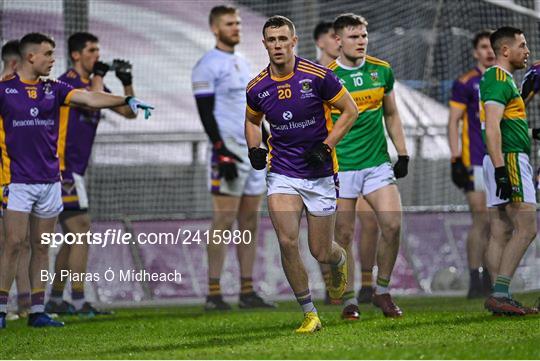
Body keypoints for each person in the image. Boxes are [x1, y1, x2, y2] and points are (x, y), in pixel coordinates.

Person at [0, 32, 153, 328]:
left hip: (51, 179)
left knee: (43, 245)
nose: (51, 59)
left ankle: (39, 310)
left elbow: (93, 97)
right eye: (47, 54)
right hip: (18, 179)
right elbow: (88, 95)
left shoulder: (54, 88)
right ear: (31, 56)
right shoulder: (6, 90)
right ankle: (6, 309)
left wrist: (127, 96)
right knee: (14, 243)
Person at [245, 15, 357, 333]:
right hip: (282, 171)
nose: (278, 45)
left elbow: (351, 110)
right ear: (264, 44)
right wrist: (254, 148)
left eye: (283, 39)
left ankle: (339, 261)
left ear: (294, 42)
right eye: (272, 40)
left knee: (321, 251)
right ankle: (309, 313)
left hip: (319, 172)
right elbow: (253, 121)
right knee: (287, 240)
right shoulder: (257, 87)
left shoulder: (318, 76)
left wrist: (326, 146)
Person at [44, 32, 136, 316]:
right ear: (76, 55)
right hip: (61, 167)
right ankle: (80, 300)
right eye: (92, 50)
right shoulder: (67, 84)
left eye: (98, 49)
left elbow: (130, 112)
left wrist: (127, 81)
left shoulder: (93, 84)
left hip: (73, 170)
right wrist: (99, 78)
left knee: (74, 234)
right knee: (81, 229)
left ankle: (57, 298)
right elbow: (90, 101)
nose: (97, 55)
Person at [191, 5, 274, 311]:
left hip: (252, 151)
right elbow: (204, 112)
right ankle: (214, 292)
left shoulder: (243, 61)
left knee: (250, 220)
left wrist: (267, 140)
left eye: (238, 23)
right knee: (223, 220)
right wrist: (220, 149)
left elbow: (254, 111)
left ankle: (247, 290)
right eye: (230, 23)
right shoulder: (207, 65)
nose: (236, 27)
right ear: (215, 28)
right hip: (227, 150)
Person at [328, 13, 409, 319]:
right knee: (344, 235)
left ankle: (383, 291)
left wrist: (402, 153)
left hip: (377, 163)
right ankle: (349, 299)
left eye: (363, 36)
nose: (360, 41)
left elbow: (391, 113)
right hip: (343, 166)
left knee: (392, 224)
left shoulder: (381, 70)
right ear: (338, 41)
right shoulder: (327, 77)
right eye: (353, 36)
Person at [313, 21, 379, 305]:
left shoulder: (359, 70)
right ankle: (333, 286)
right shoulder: (312, 75)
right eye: (332, 36)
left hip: (359, 162)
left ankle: (366, 284)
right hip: (325, 164)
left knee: (371, 222)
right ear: (323, 42)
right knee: (328, 230)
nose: (338, 41)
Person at [480, 26, 537, 316]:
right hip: (509, 160)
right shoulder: (498, 78)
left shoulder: (500, 80)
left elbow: (504, 124)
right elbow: (491, 128)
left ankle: (499, 295)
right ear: (505, 50)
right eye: (522, 45)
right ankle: (501, 292)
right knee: (527, 227)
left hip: (501, 159)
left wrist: (530, 132)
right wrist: (503, 169)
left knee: (501, 229)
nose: (527, 51)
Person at [448, 30, 495, 298]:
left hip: (500, 160)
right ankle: (475, 277)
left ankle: (492, 276)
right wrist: (456, 159)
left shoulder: (503, 80)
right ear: (476, 52)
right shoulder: (466, 83)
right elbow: (453, 121)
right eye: (483, 47)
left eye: (492, 47)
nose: (488, 51)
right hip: (475, 161)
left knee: (498, 222)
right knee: (481, 219)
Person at [0, 40, 31, 320]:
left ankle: (23, 304)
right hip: (5, 182)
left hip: (17, 180)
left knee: (19, 243)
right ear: (14, 65)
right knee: (11, 242)